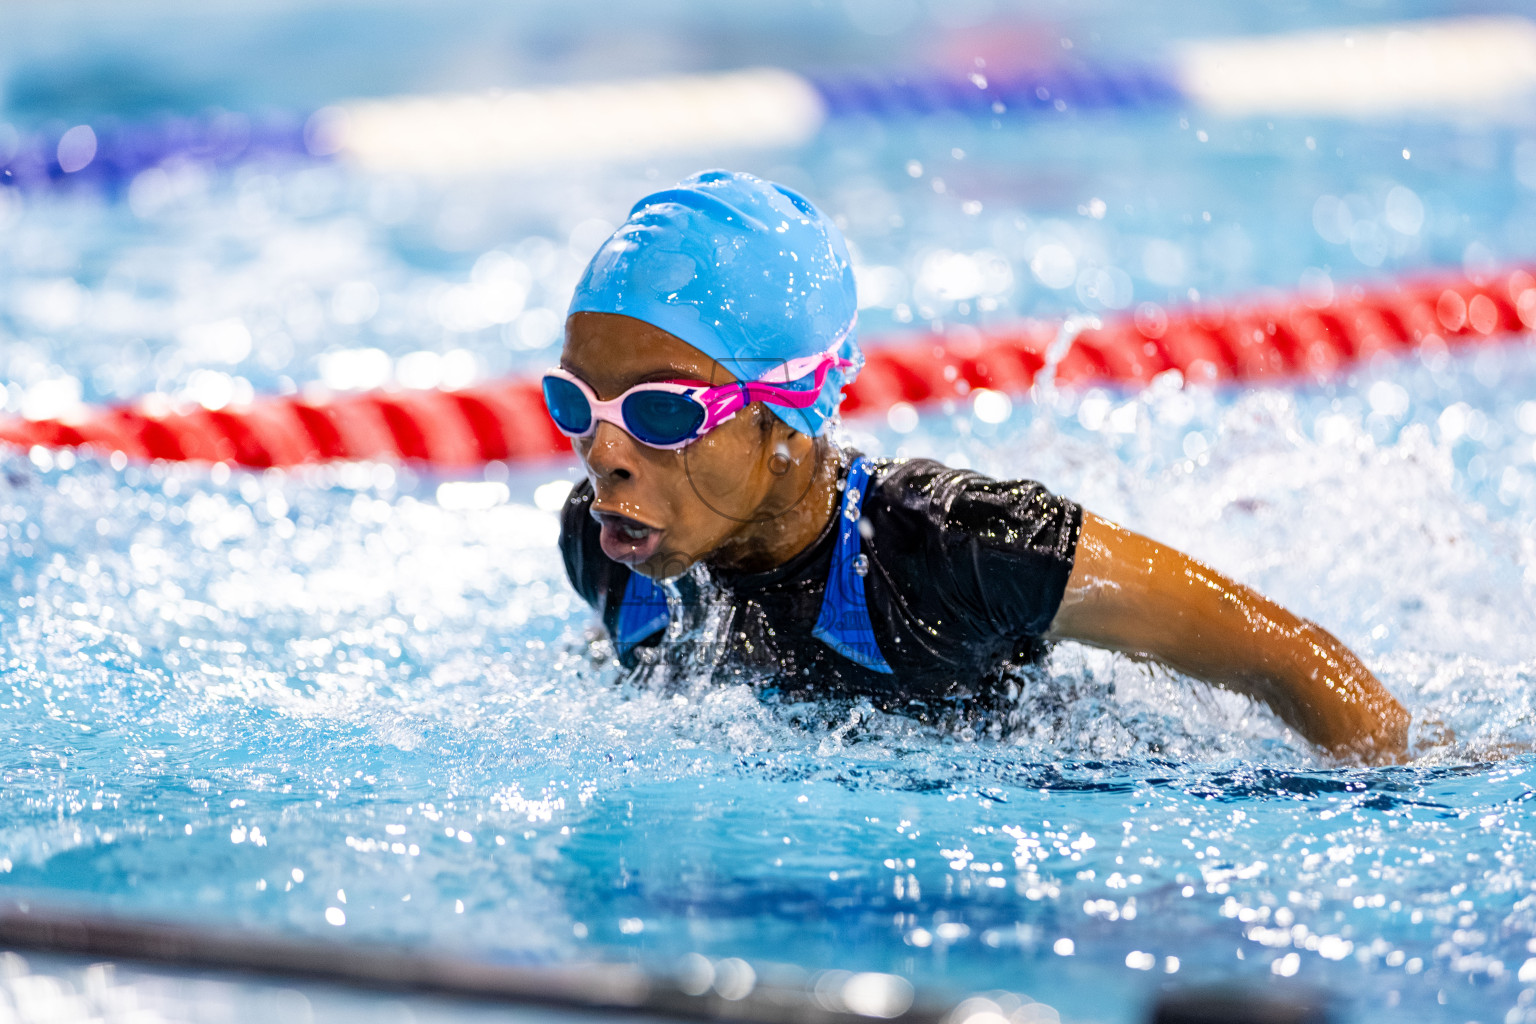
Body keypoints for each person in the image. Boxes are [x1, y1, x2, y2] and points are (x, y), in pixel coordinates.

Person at [546, 169, 1409, 763]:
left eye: (662, 412)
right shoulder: (604, 548)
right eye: (575, 403)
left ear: (788, 422)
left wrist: (1413, 793)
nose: (604, 458)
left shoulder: (958, 546)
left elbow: (1283, 656)